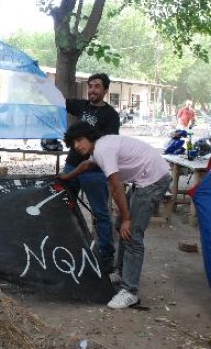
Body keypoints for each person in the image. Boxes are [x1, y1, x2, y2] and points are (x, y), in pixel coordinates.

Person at [58, 122, 172, 309]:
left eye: (79, 140)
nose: (77, 146)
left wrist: (128, 218)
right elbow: (86, 165)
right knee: (121, 226)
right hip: (144, 178)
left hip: (153, 180)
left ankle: (130, 291)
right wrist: (68, 177)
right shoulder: (98, 148)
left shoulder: (104, 150)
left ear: (89, 136)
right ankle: (121, 273)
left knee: (132, 234)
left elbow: (116, 186)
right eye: (73, 143)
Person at [63, 73, 120, 274]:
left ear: (105, 90)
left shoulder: (111, 116)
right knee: (64, 206)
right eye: (90, 86)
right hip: (72, 165)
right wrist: (39, 83)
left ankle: (106, 256)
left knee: (101, 214)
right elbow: (57, 101)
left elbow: (110, 143)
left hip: (94, 170)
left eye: (97, 86)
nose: (92, 90)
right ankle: (66, 248)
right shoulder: (81, 106)